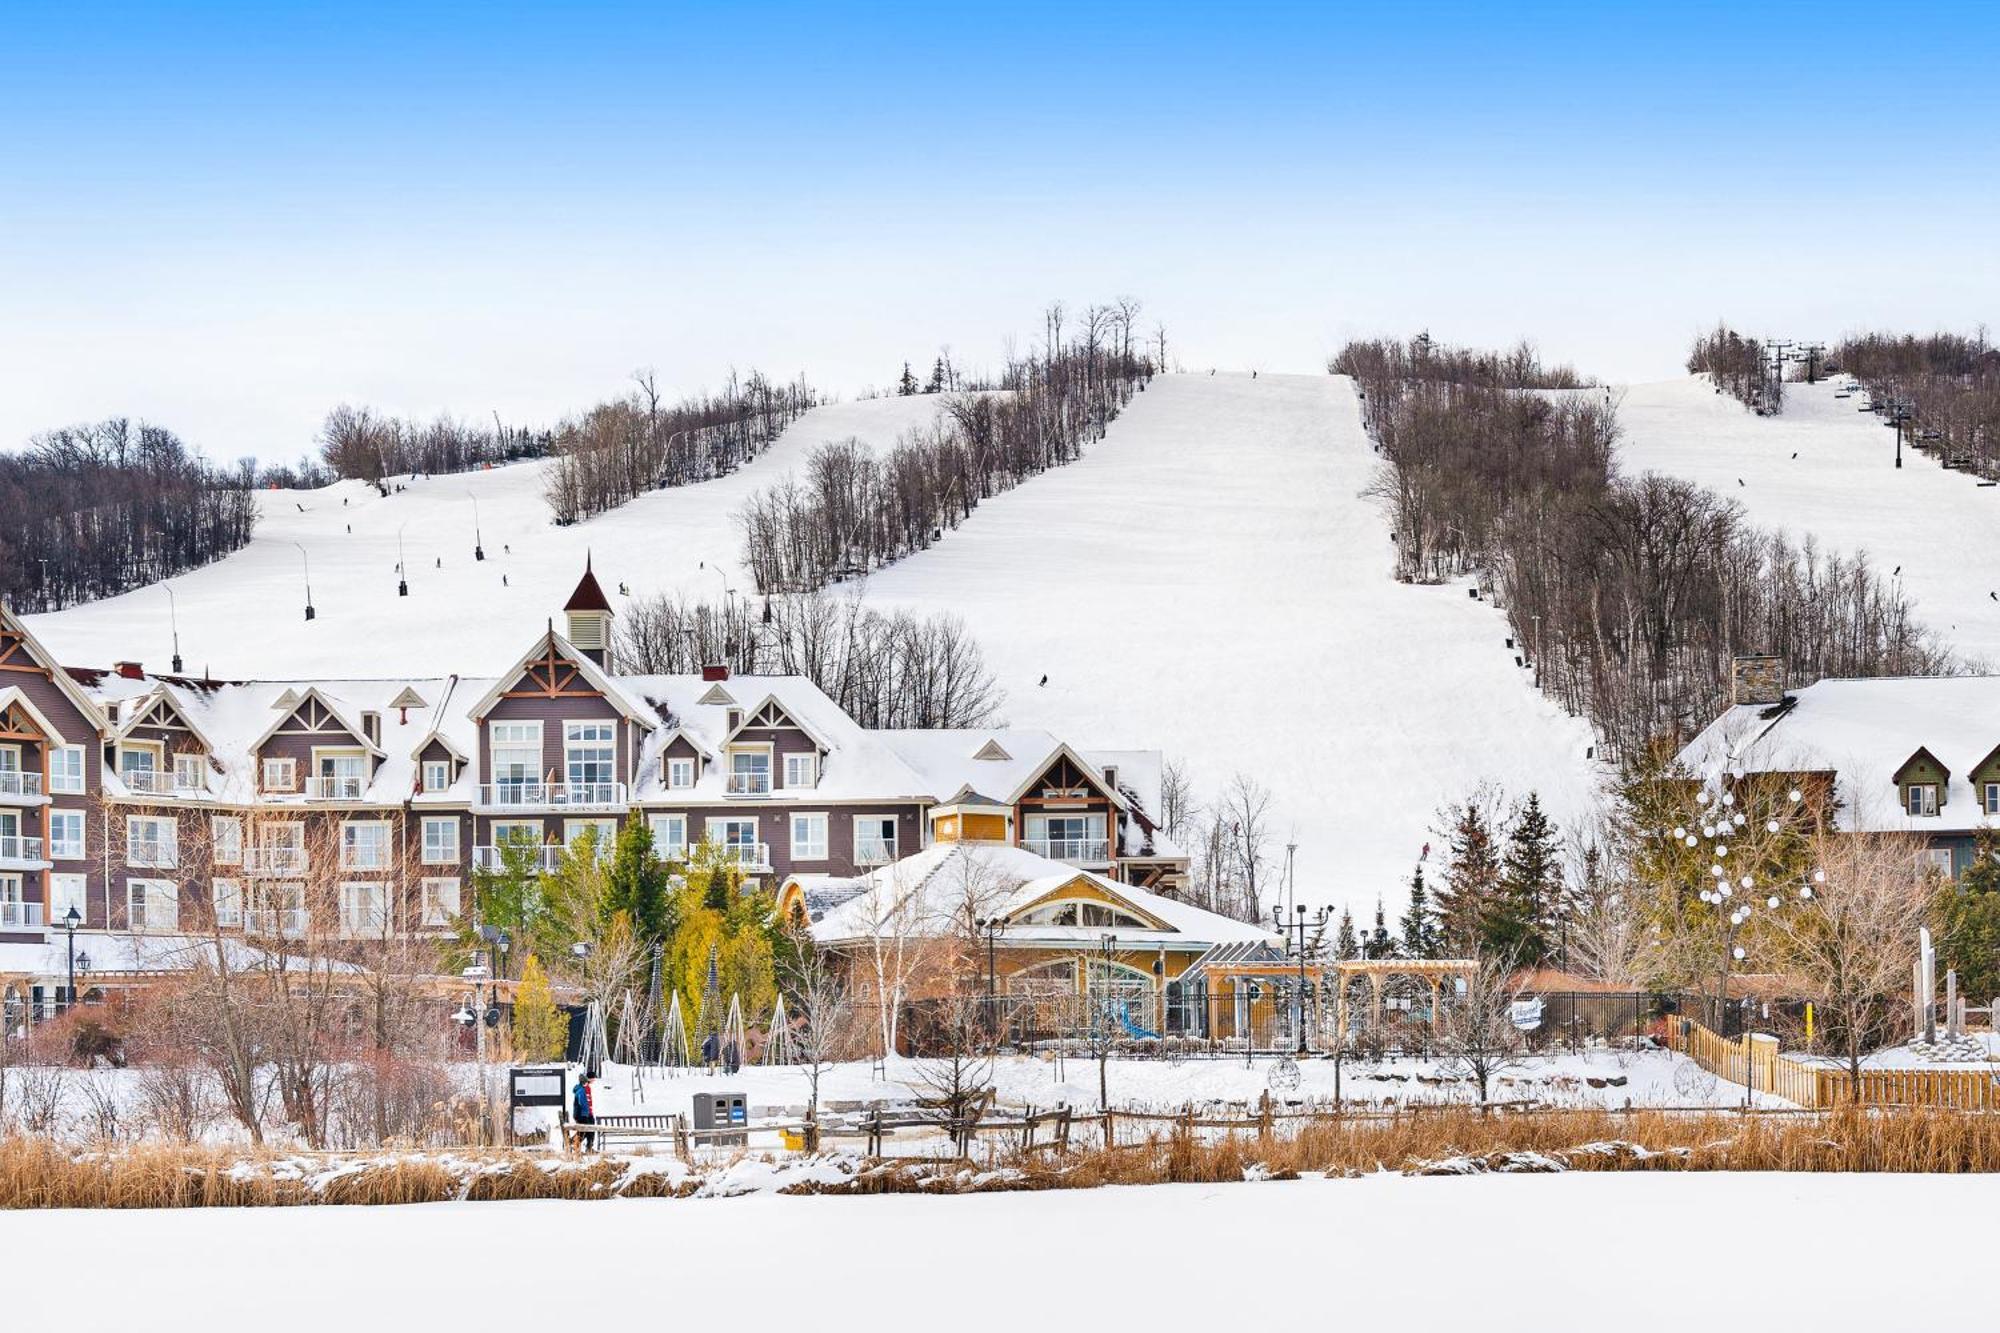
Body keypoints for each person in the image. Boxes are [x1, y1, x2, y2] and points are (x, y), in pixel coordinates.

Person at [571, 1071, 597, 1150]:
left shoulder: (585, 1088)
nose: (594, 1080)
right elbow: (583, 1102)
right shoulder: (583, 1089)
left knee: (589, 1130)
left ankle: (588, 1147)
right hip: (583, 1113)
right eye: (593, 1078)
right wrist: (587, 1112)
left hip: (587, 1113)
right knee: (584, 1131)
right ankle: (572, 1143)